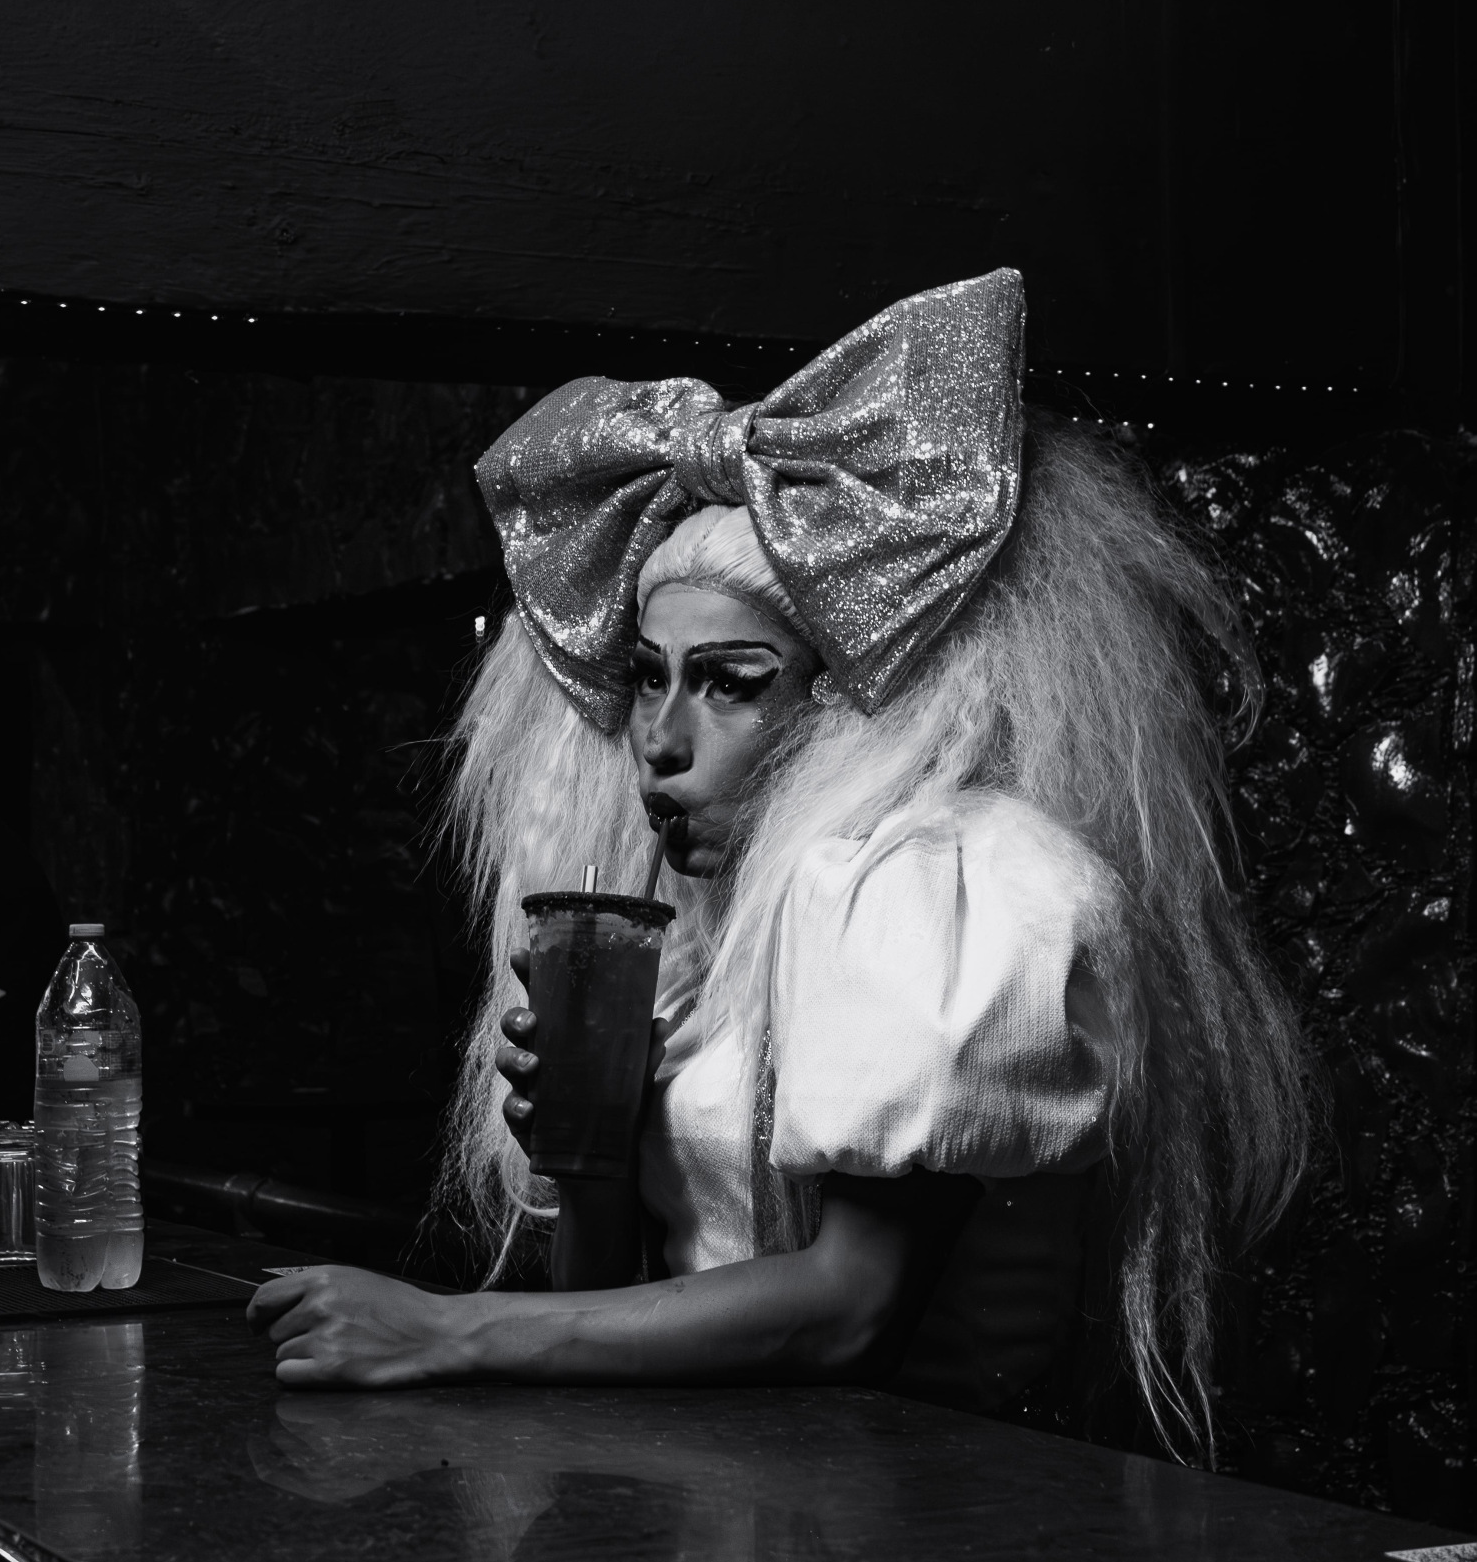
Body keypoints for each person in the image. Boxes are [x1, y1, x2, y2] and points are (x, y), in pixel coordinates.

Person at [248, 270, 1311, 1456]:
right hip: (753, 1514)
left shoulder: (937, 876)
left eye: (729, 683)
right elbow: (608, 1315)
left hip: (956, 1528)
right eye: (648, 675)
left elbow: (850, 1312)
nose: (660, 737)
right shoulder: (700, 928)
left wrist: (444, 1329)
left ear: (846, 706)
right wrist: (592, 1157)